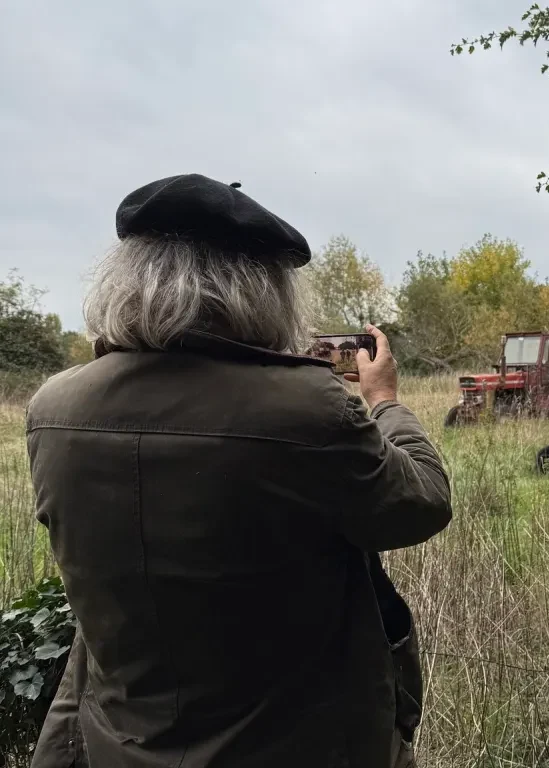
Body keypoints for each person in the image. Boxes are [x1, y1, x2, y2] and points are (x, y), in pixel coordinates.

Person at [26, 174, 451, 768]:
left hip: (120, 744)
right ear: (261, 291)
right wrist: (384, 402)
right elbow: (422, 503)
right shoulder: (305, 406)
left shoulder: (54, 408)